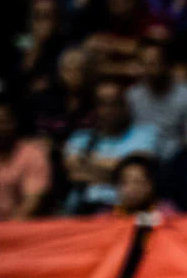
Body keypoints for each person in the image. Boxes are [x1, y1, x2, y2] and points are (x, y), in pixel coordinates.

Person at [63, 79, 160, 213]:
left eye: (115, 103)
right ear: (95, 108)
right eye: (103, 104)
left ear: (125, 105)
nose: (109, 110)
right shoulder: (80, 138)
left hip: (124, 210)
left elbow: (137, 170)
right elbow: (74, 174)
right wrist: (118, 170)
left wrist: (87, 163)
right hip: (83, 209)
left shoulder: (145, 135)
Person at [0, 92, 52, 220]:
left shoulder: (34, 155)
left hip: (26, 228)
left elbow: (31, 205)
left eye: (3, 122)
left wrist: (5, 232)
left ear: (15, 122)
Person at [126, 40, 187, 159]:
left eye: (154, 64)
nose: (148, 69)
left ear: (167, 65)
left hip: (177, 159)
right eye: (143, 64)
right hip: (141, 159)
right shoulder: (132, 96)